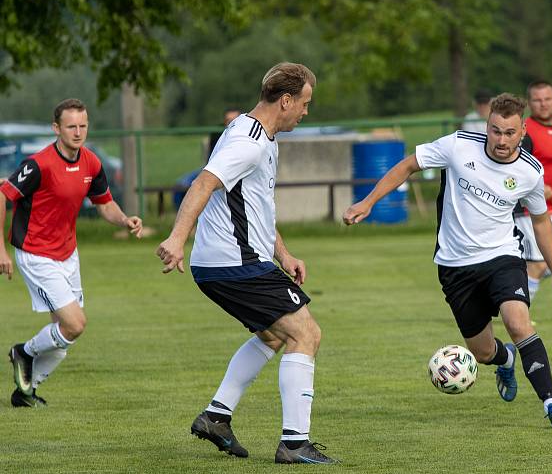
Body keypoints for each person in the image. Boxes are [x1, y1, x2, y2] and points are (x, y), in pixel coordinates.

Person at [343, 93, 552, 427]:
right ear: (487, 126)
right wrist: (368, 202)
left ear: (522, 131)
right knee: (482, 353)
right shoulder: (458, 146)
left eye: (510, 133)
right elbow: (409, 164)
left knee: (517, 323)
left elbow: (540, 222)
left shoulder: (529, 172)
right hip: (455, 266)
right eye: (496, 131)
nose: (501, 140)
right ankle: (506, 360)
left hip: (503, 256)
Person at [156, 62, 339, 464]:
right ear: (286, 100)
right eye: (305, 104)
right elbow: (203, 184)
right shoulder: (250, 142)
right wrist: (176, 238)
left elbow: (254, 206)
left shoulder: (258, 133)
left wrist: (283, 253)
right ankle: (294, 444)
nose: (306, 112)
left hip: (234, 261)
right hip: (232, 263)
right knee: (305, 334)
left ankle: (216, 416)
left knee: (274, 336)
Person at [1, 98, 143, 407]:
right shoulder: (37, 164)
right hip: (36, 253)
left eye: (83, 126)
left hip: (68, 253)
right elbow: (3, 195)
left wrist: (124, 218)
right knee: (75, 324)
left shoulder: (91, 162)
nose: (78, 132)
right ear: (56, 128)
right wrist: (1, 250)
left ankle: (25, 391)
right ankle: (23, 352)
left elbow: (104, 203)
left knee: (65, 336)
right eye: (71, 126)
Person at [513, 81, 552, 300]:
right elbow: (515, 167)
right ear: (529, 104)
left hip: (551, 209)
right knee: (539, 264)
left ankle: (510, 287)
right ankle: (519, 313)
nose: (543, 104)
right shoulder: (525, 133)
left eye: (547, 99)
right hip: (529, 211)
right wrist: (535, 188)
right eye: (537, 100)